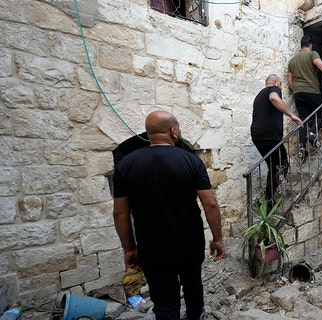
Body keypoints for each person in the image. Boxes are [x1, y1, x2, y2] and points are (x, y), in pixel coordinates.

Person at [112, 110, 225, 320]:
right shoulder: (190, 161)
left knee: (164, 303)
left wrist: (129, 248)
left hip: (151, 247)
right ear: (173, 131)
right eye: (179, 128)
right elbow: (210, 204)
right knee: (193, 285)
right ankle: (195, 315)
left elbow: (120, 214)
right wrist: (217, 239)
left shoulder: (125, 165)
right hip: (188, 244)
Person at [251, 74, 303, 207]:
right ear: (275, 83)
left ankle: (268, 199)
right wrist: (291, 115)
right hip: (269, 136)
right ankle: (268, 200)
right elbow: (274, 98)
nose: (281, 88)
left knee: (274, 167)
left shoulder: (258, 96)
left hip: (258, 136)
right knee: (283, 165)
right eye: (281, 85)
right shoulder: (273, 90)